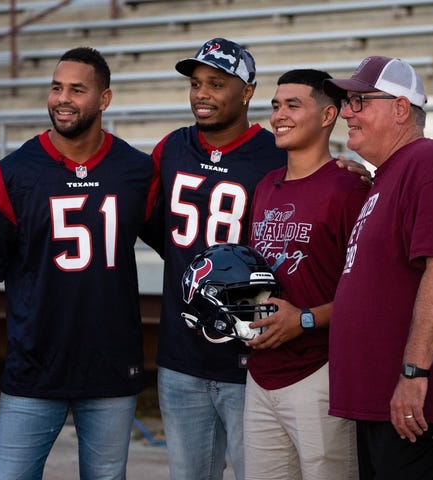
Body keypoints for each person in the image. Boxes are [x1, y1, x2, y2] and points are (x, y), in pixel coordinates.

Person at [141, 38, 371, 480]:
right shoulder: (171, 148)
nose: (202, 93)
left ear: (245, 92)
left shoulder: (278, 157)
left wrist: (357, 172)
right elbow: (159, 230)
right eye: (195, 83)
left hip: (256, 357)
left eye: (216, 83)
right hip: (186, 350)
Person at [0, 47, 155, 480]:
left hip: (110, 365)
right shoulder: (14, 172)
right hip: (34, 364)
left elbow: (177, 240)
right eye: (56, 87)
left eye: (76, 89)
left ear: (104, 99)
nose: (62, 98)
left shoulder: (135, 170)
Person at [323, 55, 433, 479]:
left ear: (399, 108)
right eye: (346, 102)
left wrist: (414, 374)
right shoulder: (389, 174)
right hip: (382, 401)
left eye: (359, 101)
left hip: (415, 405)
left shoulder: (428, 163)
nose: (346, 113)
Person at [244, 69, 369, 479]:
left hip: (320, 374)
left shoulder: (348, 189)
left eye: (293, 105)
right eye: (276, 105)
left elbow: (368, 293)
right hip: (261, 372)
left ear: (328, 114)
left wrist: (305, 319)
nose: (279, 114)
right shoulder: (264, 185)